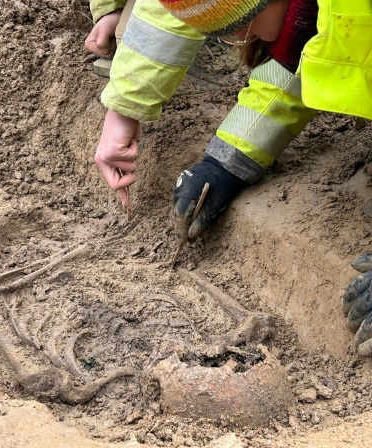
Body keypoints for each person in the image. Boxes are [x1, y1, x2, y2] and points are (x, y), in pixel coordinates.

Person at [85, 0, 372, 356]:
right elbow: (304, 65)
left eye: (241, 24)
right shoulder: (311, 14)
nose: (239, 37)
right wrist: (227, 163)